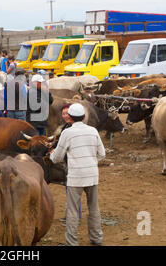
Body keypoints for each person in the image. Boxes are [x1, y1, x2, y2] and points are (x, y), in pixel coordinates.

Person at [50, 103, 105, 246]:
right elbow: (102, 154)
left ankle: (72, 242)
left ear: (70, 117)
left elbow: (57, 157)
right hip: (92, 174)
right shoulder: (93, 130)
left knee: (72, 209)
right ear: (84, 116)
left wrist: (51, 154)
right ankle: (96, 238)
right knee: (94, 207)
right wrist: (91, 161)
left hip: (75, 176)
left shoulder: (67, 133)